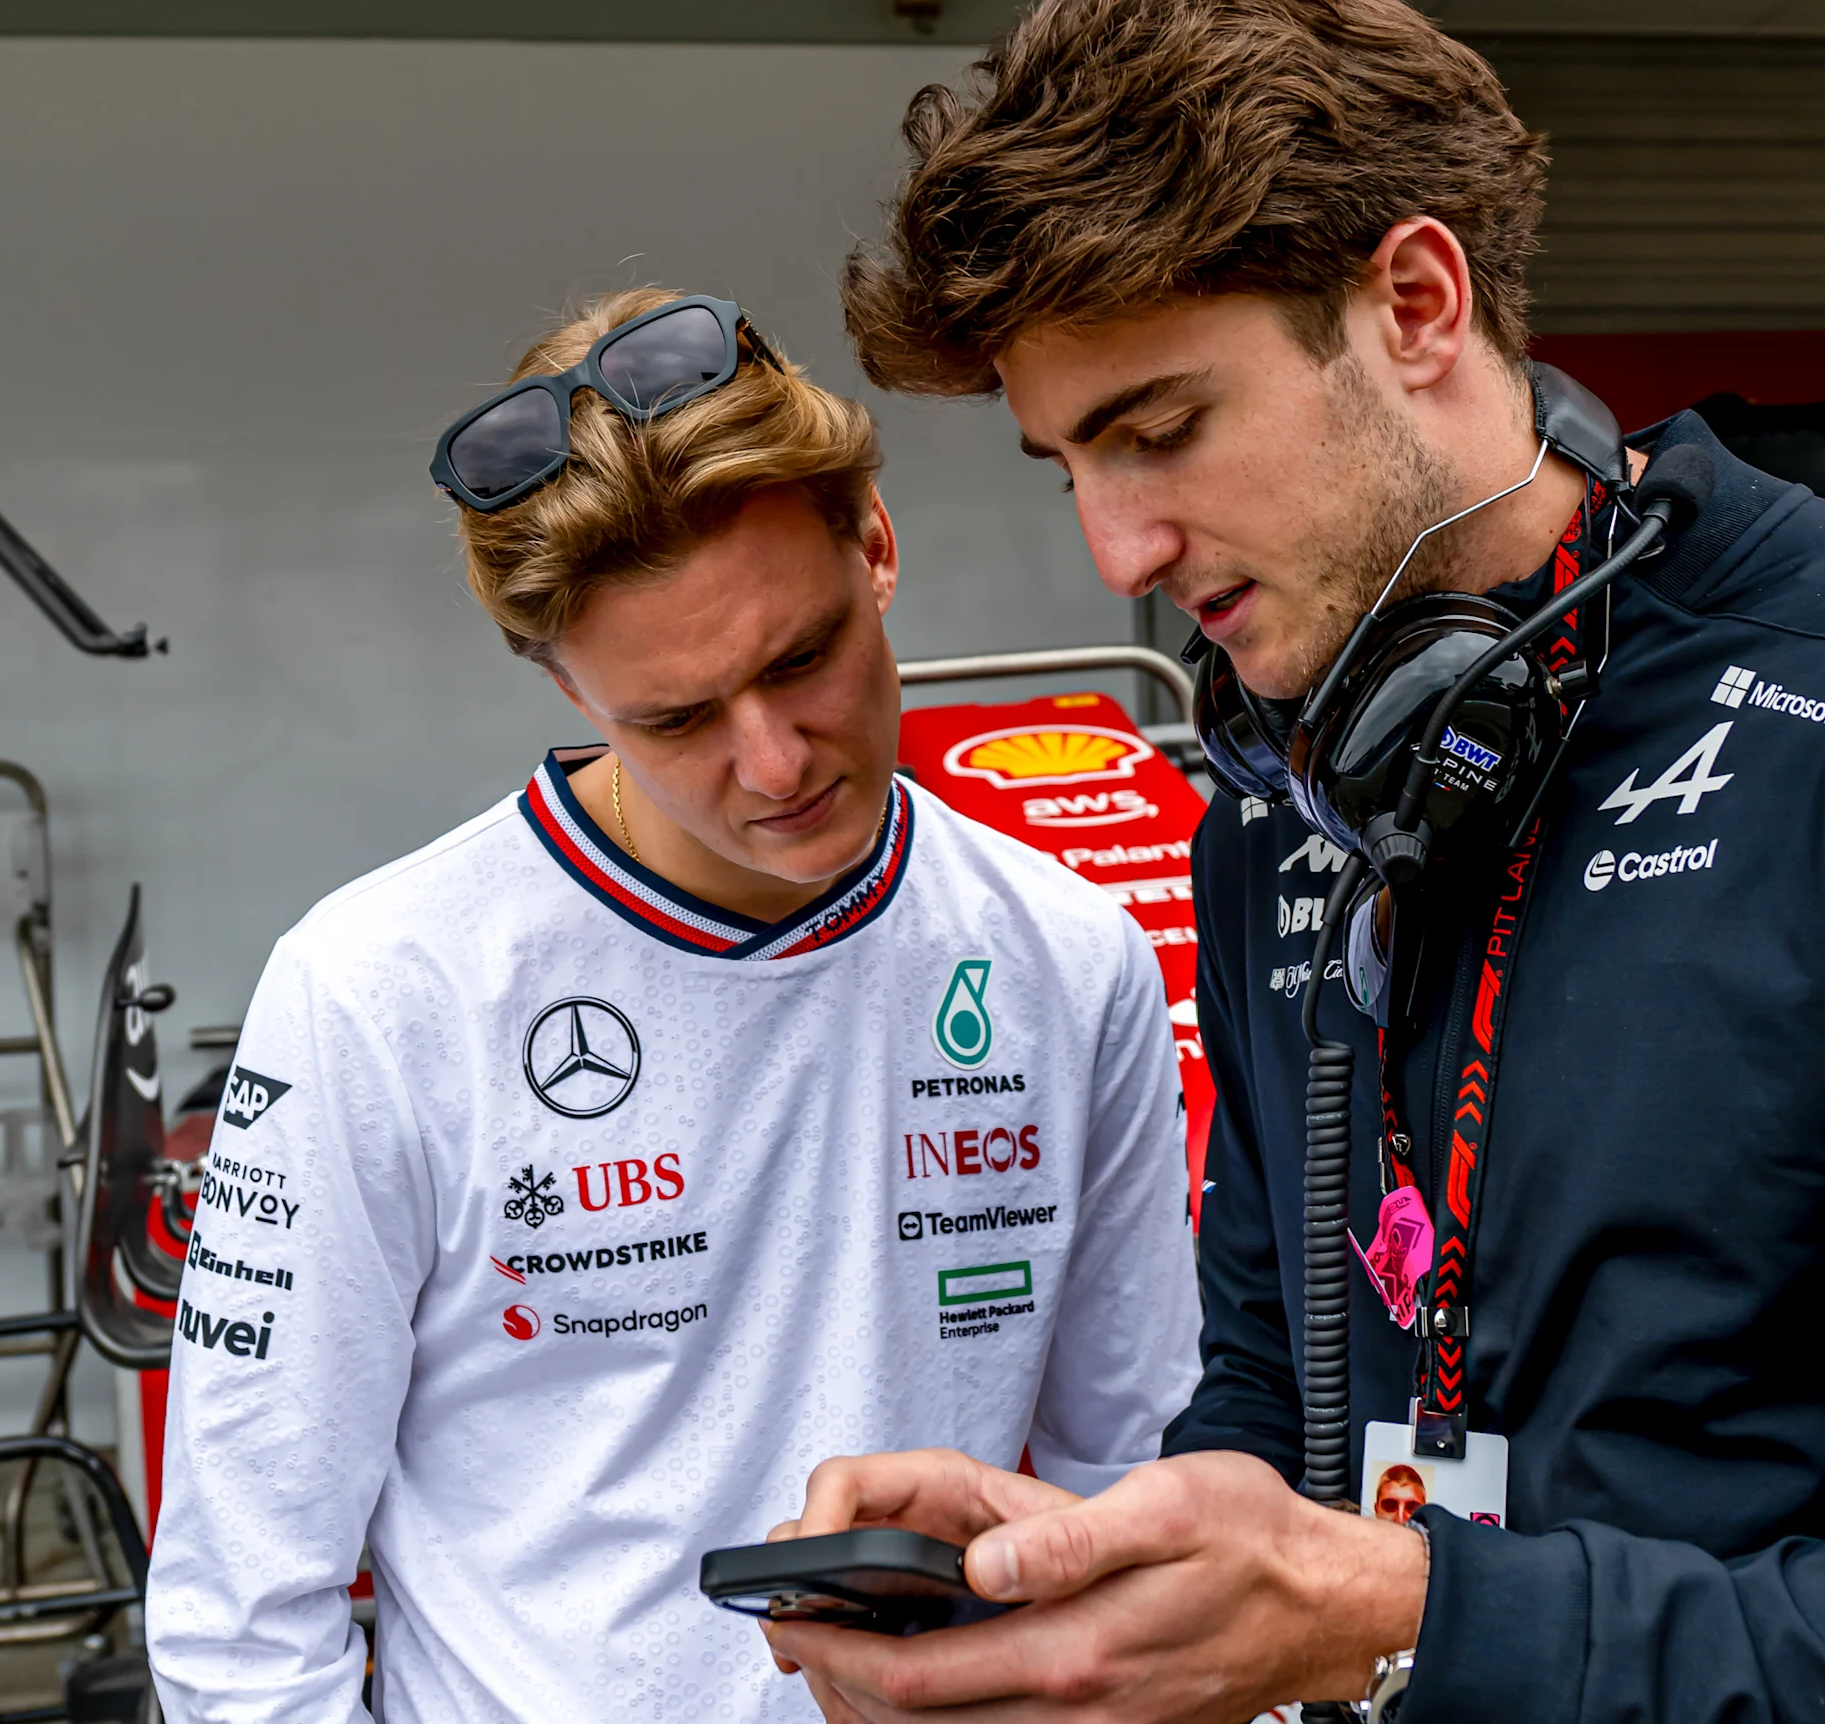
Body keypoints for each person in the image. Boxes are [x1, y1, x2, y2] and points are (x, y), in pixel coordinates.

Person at [763, 0, 1825, 1722]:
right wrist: (1102, 1568)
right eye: (1071, 465)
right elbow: (1275, 1398)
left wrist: (1415, 1613)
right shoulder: (1288, 804)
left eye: (1161, 428)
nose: (1120, 549)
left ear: (1419, 303)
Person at [142, 288, 1199, 1723]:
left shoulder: (1070, 962)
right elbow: (243, 1616)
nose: (772, 762)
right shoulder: (379, 993)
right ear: (569, 685)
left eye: (800, 660)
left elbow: (1125, 1476)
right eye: (677, 718)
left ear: (877, 551)